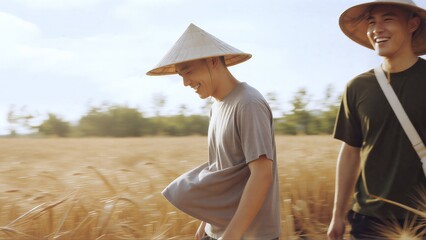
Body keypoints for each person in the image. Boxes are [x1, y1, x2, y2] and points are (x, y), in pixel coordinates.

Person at [146, 23, 281, 240]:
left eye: (188, 71)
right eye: (181, 75)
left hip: (250, 235)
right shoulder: (216, 106)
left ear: (212, 60)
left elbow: (262, 174)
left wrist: (232, 235)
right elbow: (220, 171)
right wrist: (207, 223)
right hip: (220, 230)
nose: (185, 82)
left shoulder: (248, 103)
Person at [327, 0, 426, 239]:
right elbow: (350, 152)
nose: (377, 29)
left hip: (422, 219)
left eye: (388, 19)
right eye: (372, 22)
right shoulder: (357, 87)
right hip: (367, 221)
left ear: (412, 24)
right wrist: (337, 216)